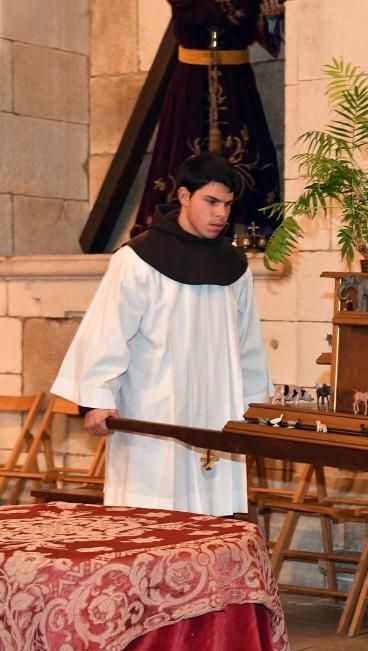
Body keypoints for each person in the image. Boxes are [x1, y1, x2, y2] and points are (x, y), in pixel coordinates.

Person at [53, 153, 272, 516]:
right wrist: (96, 397)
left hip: (216, 410)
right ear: (185, 196)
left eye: (228, 205)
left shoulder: (235, 267)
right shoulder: (138, 259)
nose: (221, 214)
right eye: (211, 202)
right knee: (149, 517)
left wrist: (253, 406)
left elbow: (247, 343)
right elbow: (108, 330)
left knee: (211, 521)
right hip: (153, 410)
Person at [130, 0, 284, 239]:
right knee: (180, 155)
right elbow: (199, 10)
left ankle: (248, 235)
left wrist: (270, 16)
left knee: (248, 157)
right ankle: (175, 235)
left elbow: (259, 27)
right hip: (191, 82)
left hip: (236, 82)